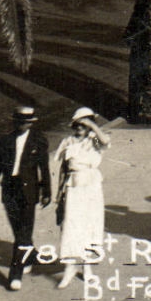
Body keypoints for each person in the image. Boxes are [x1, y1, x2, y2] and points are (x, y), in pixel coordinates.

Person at [0, 104, 52, 291]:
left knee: (22, 232)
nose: (21, 126)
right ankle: (29, 254)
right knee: (18, 230)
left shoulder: (39, 141)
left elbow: (44, 168)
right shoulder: (5, 140)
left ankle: (15, 274)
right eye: (18, 122)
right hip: (9, 190)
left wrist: (47, 192)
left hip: (29, 191)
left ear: (30, 124)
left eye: (25, 123)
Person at [52, 106, 111, 289]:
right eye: (78, 125)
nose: (80, 128)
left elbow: (106, 140)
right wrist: (59, 193)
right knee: (70, 226)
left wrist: (92, 126)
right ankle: (69, 268)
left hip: (91, 186)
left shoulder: (95, 140)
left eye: (84, 125)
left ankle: (87, 268)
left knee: (89, 226)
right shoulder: (67, 141)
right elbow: (63, 168)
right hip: (73, 187)